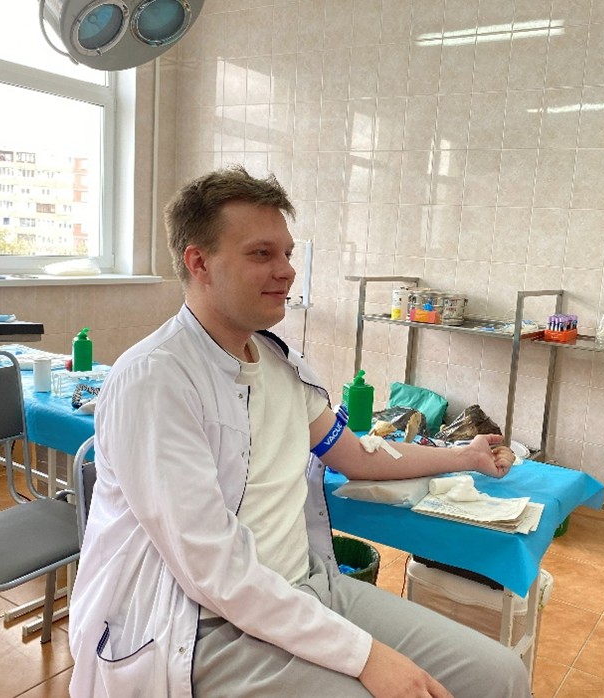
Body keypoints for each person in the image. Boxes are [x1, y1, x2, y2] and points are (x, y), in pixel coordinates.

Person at [68, 165, 530, 697]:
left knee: (500, 675)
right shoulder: (156, 380)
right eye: (261, 254)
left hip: (307, 589)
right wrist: (366, 657)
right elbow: (213, 570)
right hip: (202, 624)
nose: (286, 271)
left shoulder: (279, 364)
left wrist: (465, 456)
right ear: (199, 262)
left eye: (287, 253)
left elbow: (356, 456)